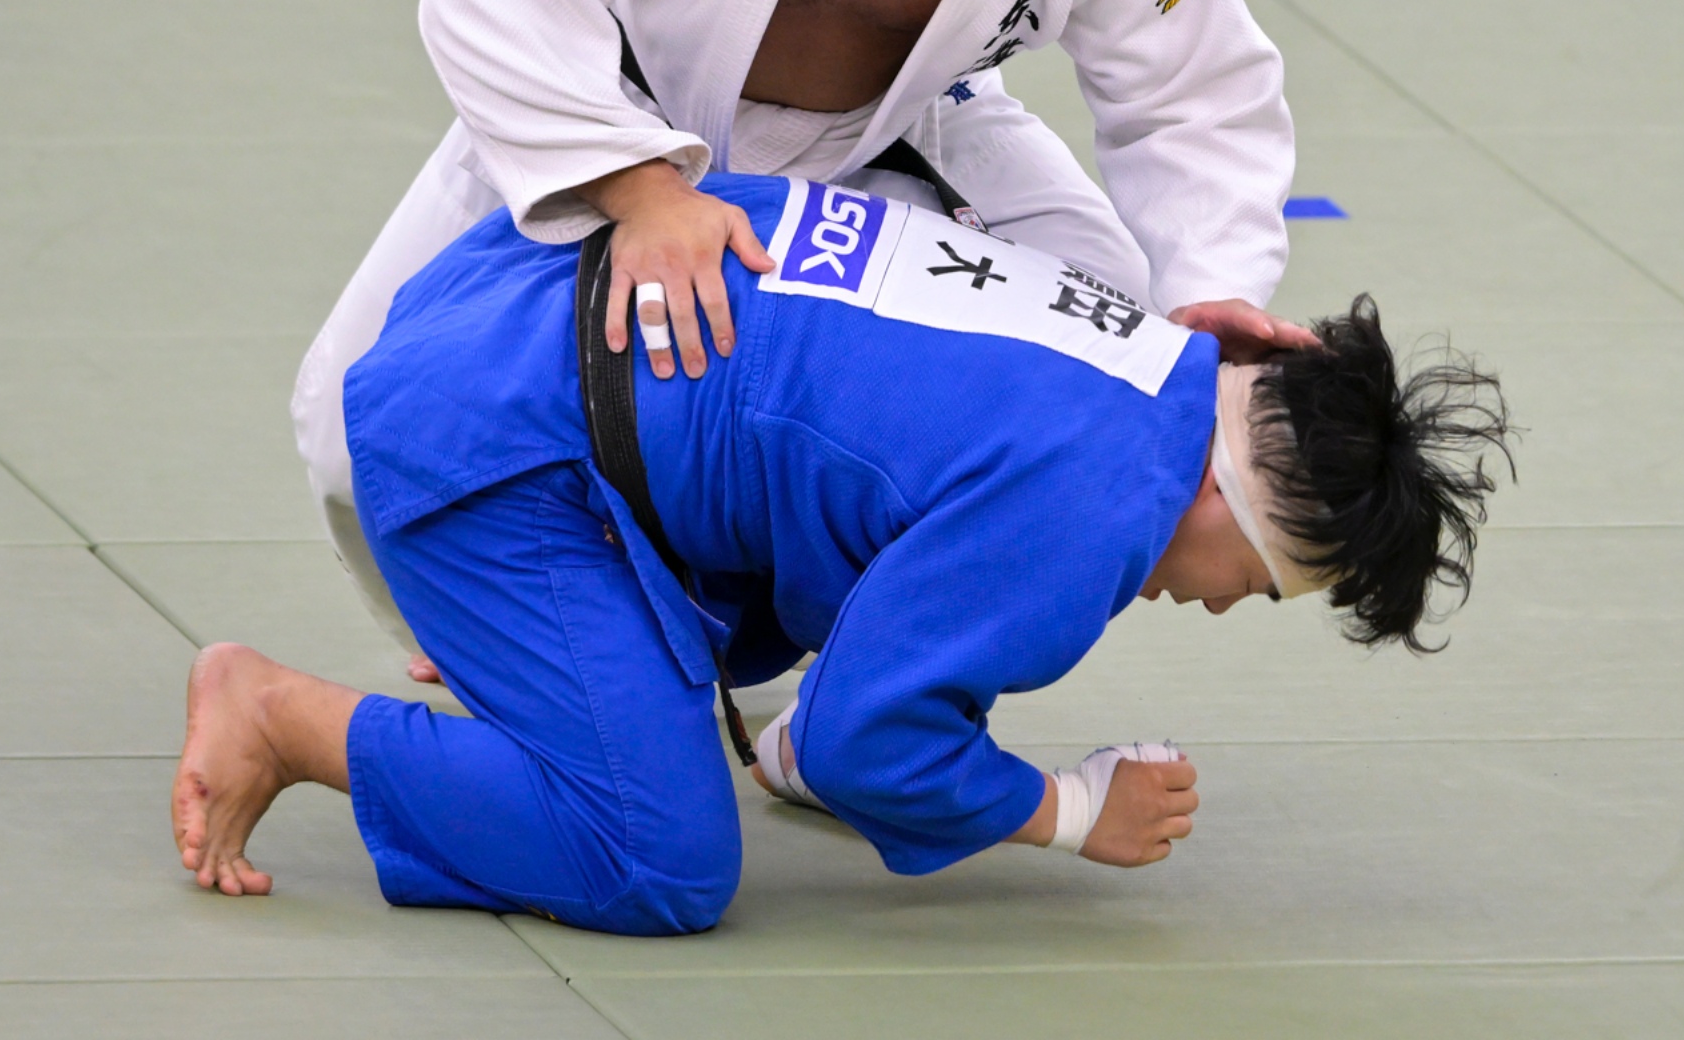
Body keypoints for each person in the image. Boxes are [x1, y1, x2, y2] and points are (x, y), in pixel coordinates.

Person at [290, 0, 1313, 669]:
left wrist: (1208, 282)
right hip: (612, 121)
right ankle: (501, 649)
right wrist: (641, 192)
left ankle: (838, 694)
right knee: (357, 430)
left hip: (895, 138)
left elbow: (1194, 92)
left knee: (1099, 359)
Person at [180, 175, 1510, 933]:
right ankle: (284, 717)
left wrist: (820, 746)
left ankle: (558, 673)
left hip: (494, 311)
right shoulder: (1100, 504)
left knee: (820, 535)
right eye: (1257, 586)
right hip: (494, 451)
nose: (1219, 607)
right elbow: (875, 738)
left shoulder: (1140, 347)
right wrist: (1069, 812)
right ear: (1225, 500)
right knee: (661, 858)